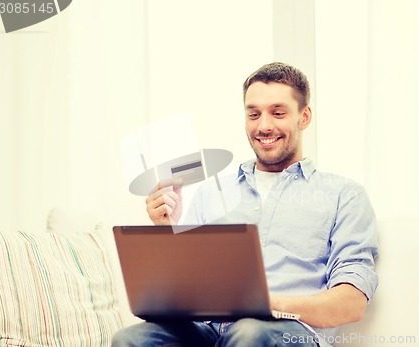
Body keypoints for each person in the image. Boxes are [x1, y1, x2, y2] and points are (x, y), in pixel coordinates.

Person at [112, 62, 378, 347]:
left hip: (286, 334)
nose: (264, 126)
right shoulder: (210, 194)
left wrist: (267, 304)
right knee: (132, 339)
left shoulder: (344, 195)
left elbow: (351, 303)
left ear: (304, 116)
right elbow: (188, 291)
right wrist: (169, 231)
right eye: (254, 114)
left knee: (250, 332)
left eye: (277, 113)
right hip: (210, 333)